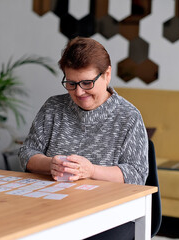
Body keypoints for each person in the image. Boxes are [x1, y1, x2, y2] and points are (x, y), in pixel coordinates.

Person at [18, 37, 149, 240]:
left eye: (87, 83)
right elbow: (27, 153)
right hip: (51, 208)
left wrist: (91, 170)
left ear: (107, 75)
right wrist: (50, 164)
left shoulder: (128, 117)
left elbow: (137, 175)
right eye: (71, 83)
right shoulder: (53, 108)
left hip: (108, 214)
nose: (79, 92)